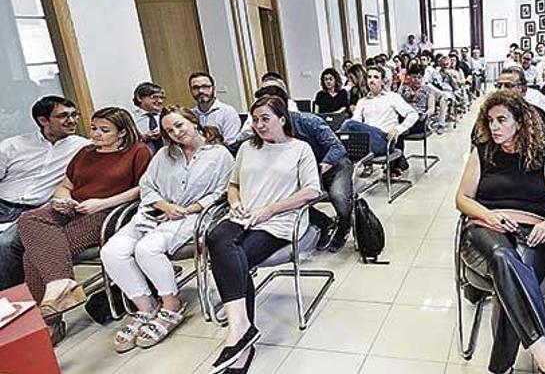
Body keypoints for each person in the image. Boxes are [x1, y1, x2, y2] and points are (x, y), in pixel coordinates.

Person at [455, 90, 545, 374]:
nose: (494, 127)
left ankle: (500, 367)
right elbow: (462, 199)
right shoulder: (482, 153)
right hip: (484, 229)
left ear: (519, 122)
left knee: (509, 273)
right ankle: (544, 351)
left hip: (532, 231)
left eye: (501, 120)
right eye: (490, 120)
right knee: (502, 257)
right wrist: (489, 214)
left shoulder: (538, 155)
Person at [101, 106, 232, 352]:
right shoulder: (163, 154)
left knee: (147, 249)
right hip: (154, 213)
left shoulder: (219, 155)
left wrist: (189, 208)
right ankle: (146, 307)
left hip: (190, 217)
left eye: (180, 125)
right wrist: (164, 206)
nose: (176, 133)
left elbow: (221, 192)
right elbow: (146, 186)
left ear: (194, 122)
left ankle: (171, 304)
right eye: (169, 130)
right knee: (111, 252)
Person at [206, 96, 321, 373]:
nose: (258, 125)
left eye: (265, 119)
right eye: (255, 119)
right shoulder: (247, 147)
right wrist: (235, 202)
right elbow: (232, 185)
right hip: (245, 216)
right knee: (214, 236)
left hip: (278, 222)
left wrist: (270, 210)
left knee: (238, 258)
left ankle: (240, 342)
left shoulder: (300, 149)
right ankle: (242, 329)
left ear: (282, 119)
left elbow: (312, 190)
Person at [18, 107, 151, 343]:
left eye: (104, 130)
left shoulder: (137, 151)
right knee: (28, 218)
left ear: (121, 133)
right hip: (74, 208)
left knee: (32, 255)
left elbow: (142, 190)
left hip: (107, 212)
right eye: (94, 128)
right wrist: (62, 199)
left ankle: (51, 322)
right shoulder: (85, 153)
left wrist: (102, 203)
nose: (96, 134)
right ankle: (62, 284)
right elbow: (65, 185)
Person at [0, 97, 90, 290]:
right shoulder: (12, 146)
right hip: (3, 204)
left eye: (74, 115)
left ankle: (10, 301)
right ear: (43, 120)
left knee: (5, 245)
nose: (72, 120)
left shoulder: (82, 147)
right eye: (63, 116)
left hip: (37, 210)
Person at [252, 85, 353, 252]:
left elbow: (337, 148)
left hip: (333, 166)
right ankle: (325, 223)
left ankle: (343, 227)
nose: (260, 122)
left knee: (339, 196)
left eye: (265, 115)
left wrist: (319, 168)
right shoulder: (266, 131)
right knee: (282, 196)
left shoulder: (309, 121)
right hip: (302, 173)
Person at [339, 66, 418, 177]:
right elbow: (356, 121)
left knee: (347, 124)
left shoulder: (392, 97)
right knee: (348, 128)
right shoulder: (362, 101)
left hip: (384, 140)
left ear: (382, 81)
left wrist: (398, 130)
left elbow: (413, 114)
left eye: (376, 77)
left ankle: (334, 149)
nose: (371, 80)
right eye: (369, 77)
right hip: (365, 141)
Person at [488, 68, 545, 150]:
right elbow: (476, 150)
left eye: (508, 86)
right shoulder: (488, 115)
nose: (502, 90)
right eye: (498, 86)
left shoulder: (538, 115)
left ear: (523, 89)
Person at [189, 72, 241, 145]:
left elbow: (231, 144)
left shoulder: (227, 112)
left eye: (205, 86)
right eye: (195, 88)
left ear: (213, 88)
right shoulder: (190, 115)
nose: (200, 91)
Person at [399, 63, 440, 134]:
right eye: (414, 77)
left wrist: (426, 114)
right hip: (405, 116)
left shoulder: (428, 90)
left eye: (419, 77)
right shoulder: (403, 89)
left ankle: (404, 130)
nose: (416, 80)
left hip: (420, 118)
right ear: (409, 77)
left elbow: (431, 108)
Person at [131, 82, 165, 152]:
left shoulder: (166, 115)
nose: (160, 101)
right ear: (139, 98)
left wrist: (164, 133)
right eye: (155, 97)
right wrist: (142, 138)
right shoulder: (131, 118)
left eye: (161, 98)